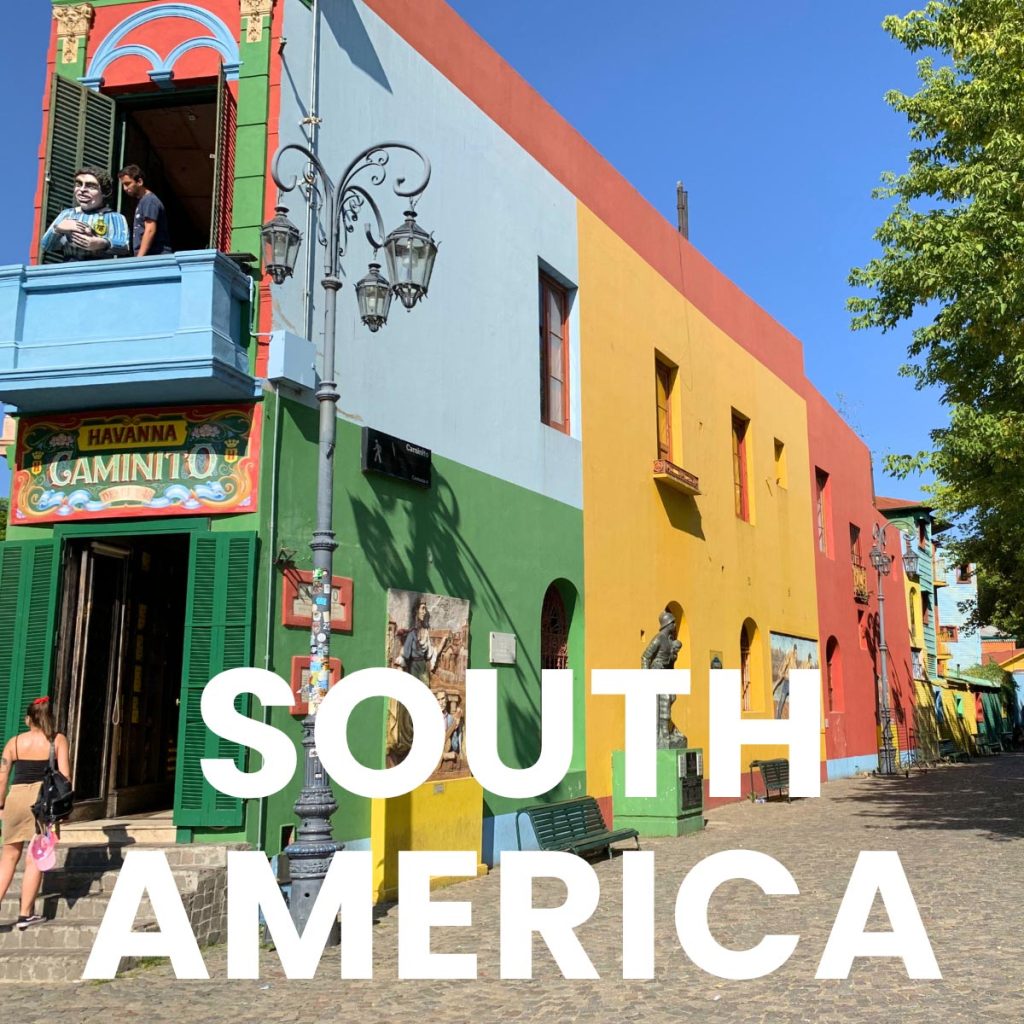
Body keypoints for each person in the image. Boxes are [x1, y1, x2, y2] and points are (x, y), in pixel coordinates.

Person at [0, 697, 71, 930]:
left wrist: (1, 805)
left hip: (15, 798)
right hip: (40, 801)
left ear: (28, 719)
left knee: (8, 857)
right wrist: (63, 808)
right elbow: (65, 777)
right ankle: (25, 915)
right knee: (35, 856)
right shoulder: (57, 740)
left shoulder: (14, 743)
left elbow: (2, 777)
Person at [40, 167, 130, 261]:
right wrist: (57, 229)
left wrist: (102, 243)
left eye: (91, 186)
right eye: (78, 185)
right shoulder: (67, 214)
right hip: (69, 265)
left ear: (105, 192)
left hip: (99, 266)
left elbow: (124, 245)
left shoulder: (115, 217)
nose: (82, 190)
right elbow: (45, 245)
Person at [118, 164, 172, 256]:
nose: (125, 188)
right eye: (123, 185)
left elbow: (150, 230)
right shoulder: (143, 201)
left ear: (139, 182)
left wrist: (140, 258)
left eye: (127, 184)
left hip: (155, 256)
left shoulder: (149, 201)